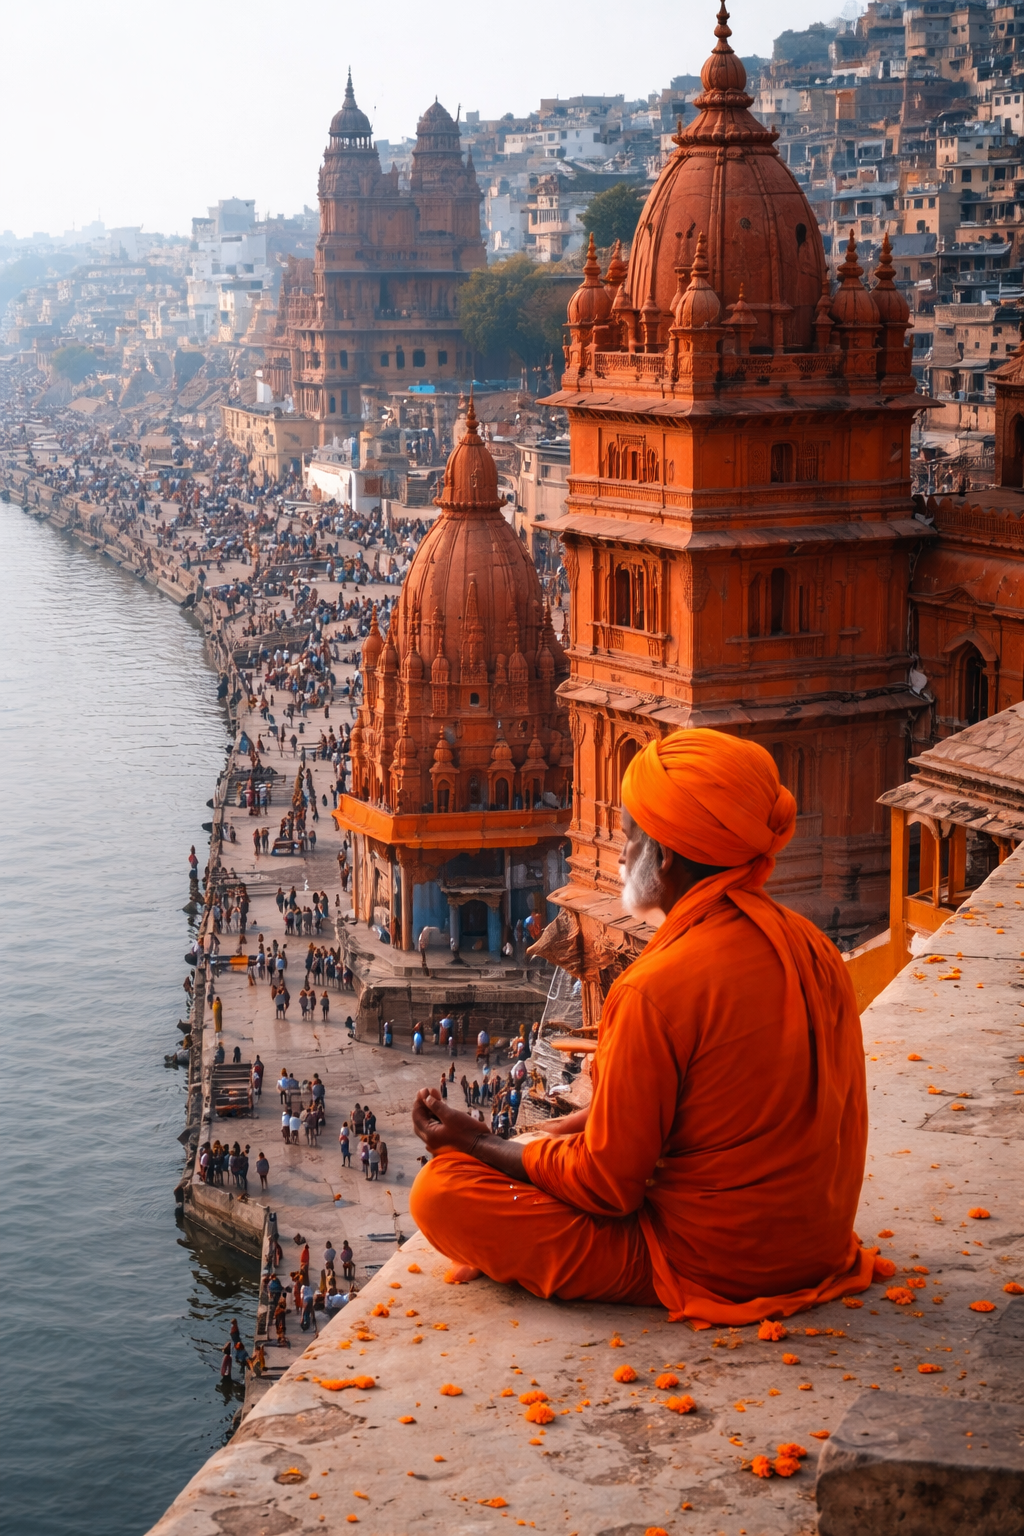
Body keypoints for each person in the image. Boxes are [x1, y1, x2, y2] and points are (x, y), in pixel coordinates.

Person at [407, 730, 872, 1324]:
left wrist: (478, 1143)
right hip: (818, 1245)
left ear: (669, 856)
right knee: (531, 1152)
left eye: (632, 838)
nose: (622, 854)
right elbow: (692, 1119)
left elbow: (608, 1188)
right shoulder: (810, 944)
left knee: (441, 1192)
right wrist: (538, 1141)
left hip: (710, 1263)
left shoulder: (653, 990)